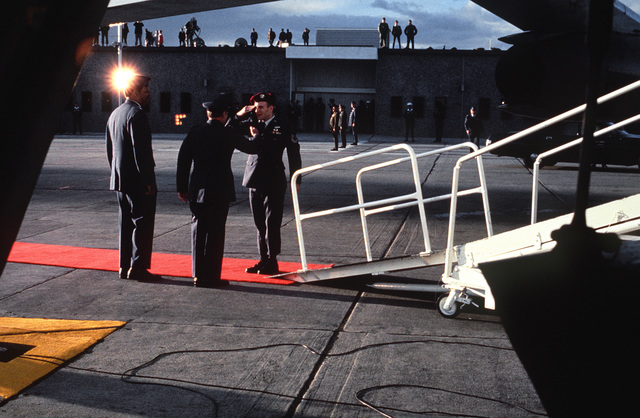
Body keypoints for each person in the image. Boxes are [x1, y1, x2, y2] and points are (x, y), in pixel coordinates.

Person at [177, 96, 260, 288]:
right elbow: (251, 147)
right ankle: (212, 276)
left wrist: (182, 188)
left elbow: (183, 161)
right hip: (219, 191)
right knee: (215, 234)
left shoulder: (195, 131)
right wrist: (255, 134)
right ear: (224, 115)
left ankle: (198, 275)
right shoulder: (227, 133)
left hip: (197, 190)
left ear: (208, 114)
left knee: (198, 231)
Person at [236, 92, 302, 275]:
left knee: (272, 223)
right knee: (259, 223)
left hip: (273, 180)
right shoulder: (250, 124)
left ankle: (272, 261)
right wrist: (240, 114)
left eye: (261, 107)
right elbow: (228, 128)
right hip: (254, 179)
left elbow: (293, 153)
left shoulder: (283, 126)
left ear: (271, 108)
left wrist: (296, 179)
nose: (257, 110)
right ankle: (263, 259)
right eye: (255, 107)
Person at [106, 74, 159, 282]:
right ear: (135, 90)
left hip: (120, 180)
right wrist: (148, 180)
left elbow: (110, 150)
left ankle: (124, 265)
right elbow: (141, 151)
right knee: (142, 224)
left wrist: (116, 174)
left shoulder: (116, 113)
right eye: (145, 89)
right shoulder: (137, 114)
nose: (149, 93)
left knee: (125, 224)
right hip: (138, 181)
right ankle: (138, 267)